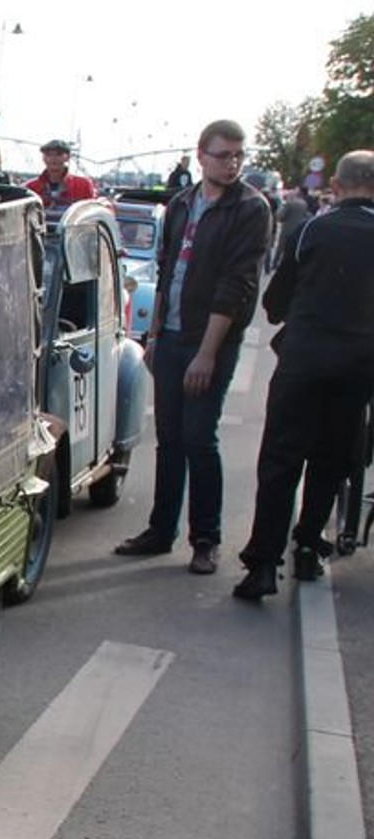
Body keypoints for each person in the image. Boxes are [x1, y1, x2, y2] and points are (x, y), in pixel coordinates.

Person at [114, 119, 272, 574]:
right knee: (170, 439)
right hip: (174, 336)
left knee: (200, 438)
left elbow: (237, 285)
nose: (233, 163)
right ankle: (161, 530)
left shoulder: (249, 209)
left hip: (210, 341)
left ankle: (206, 539)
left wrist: (207, 352)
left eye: (239, 155)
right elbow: (165, 271)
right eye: (224, 155)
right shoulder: (183, 203)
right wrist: (156, 334)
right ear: (201, 155)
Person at [233, 151, 374, 599]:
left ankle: (262, 563)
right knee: (332, 461)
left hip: (304, 360)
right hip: (358, 367)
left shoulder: (312, 229)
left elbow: (275, 303)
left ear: (335, 182)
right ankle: (309, 547)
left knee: (280, 460)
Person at [25, 139, 96, 214]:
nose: (53, 158)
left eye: (59, 154)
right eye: (48, 154)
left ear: (68, 157)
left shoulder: (83, 185)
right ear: (43, 158)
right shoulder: (31, 187)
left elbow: (92, 215)